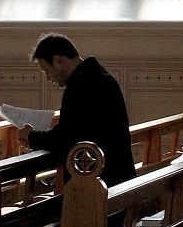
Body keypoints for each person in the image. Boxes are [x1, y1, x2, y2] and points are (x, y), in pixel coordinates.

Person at [18, 33, 135, 188]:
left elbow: (65, 139)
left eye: (47, 71)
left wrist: (31, 136)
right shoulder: (97, 76)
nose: (48, 78)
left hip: (99, 181)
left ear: (59, 61)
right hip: (117, 173)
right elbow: (78, 129)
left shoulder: (81, 85)